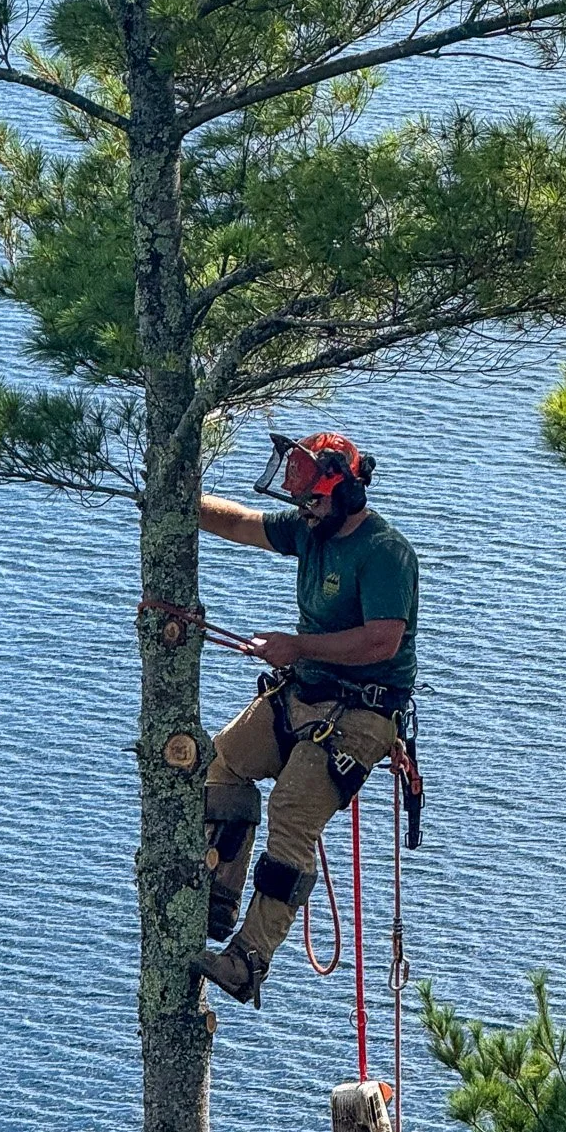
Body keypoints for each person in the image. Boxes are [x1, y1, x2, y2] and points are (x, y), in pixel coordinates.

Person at [193, 430, 419, 1008]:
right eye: (302, 502)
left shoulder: (385, 552)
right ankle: (218, 891)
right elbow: (241, 523)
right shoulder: (311, 530)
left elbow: (381, 642)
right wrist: (178, 501)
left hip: (365, 711)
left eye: (314, 501)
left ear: (344, 493)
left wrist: (299, 647)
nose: (305, 511)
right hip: (307, 692)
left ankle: (248, 961)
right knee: (227, 761)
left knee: (292, 812)